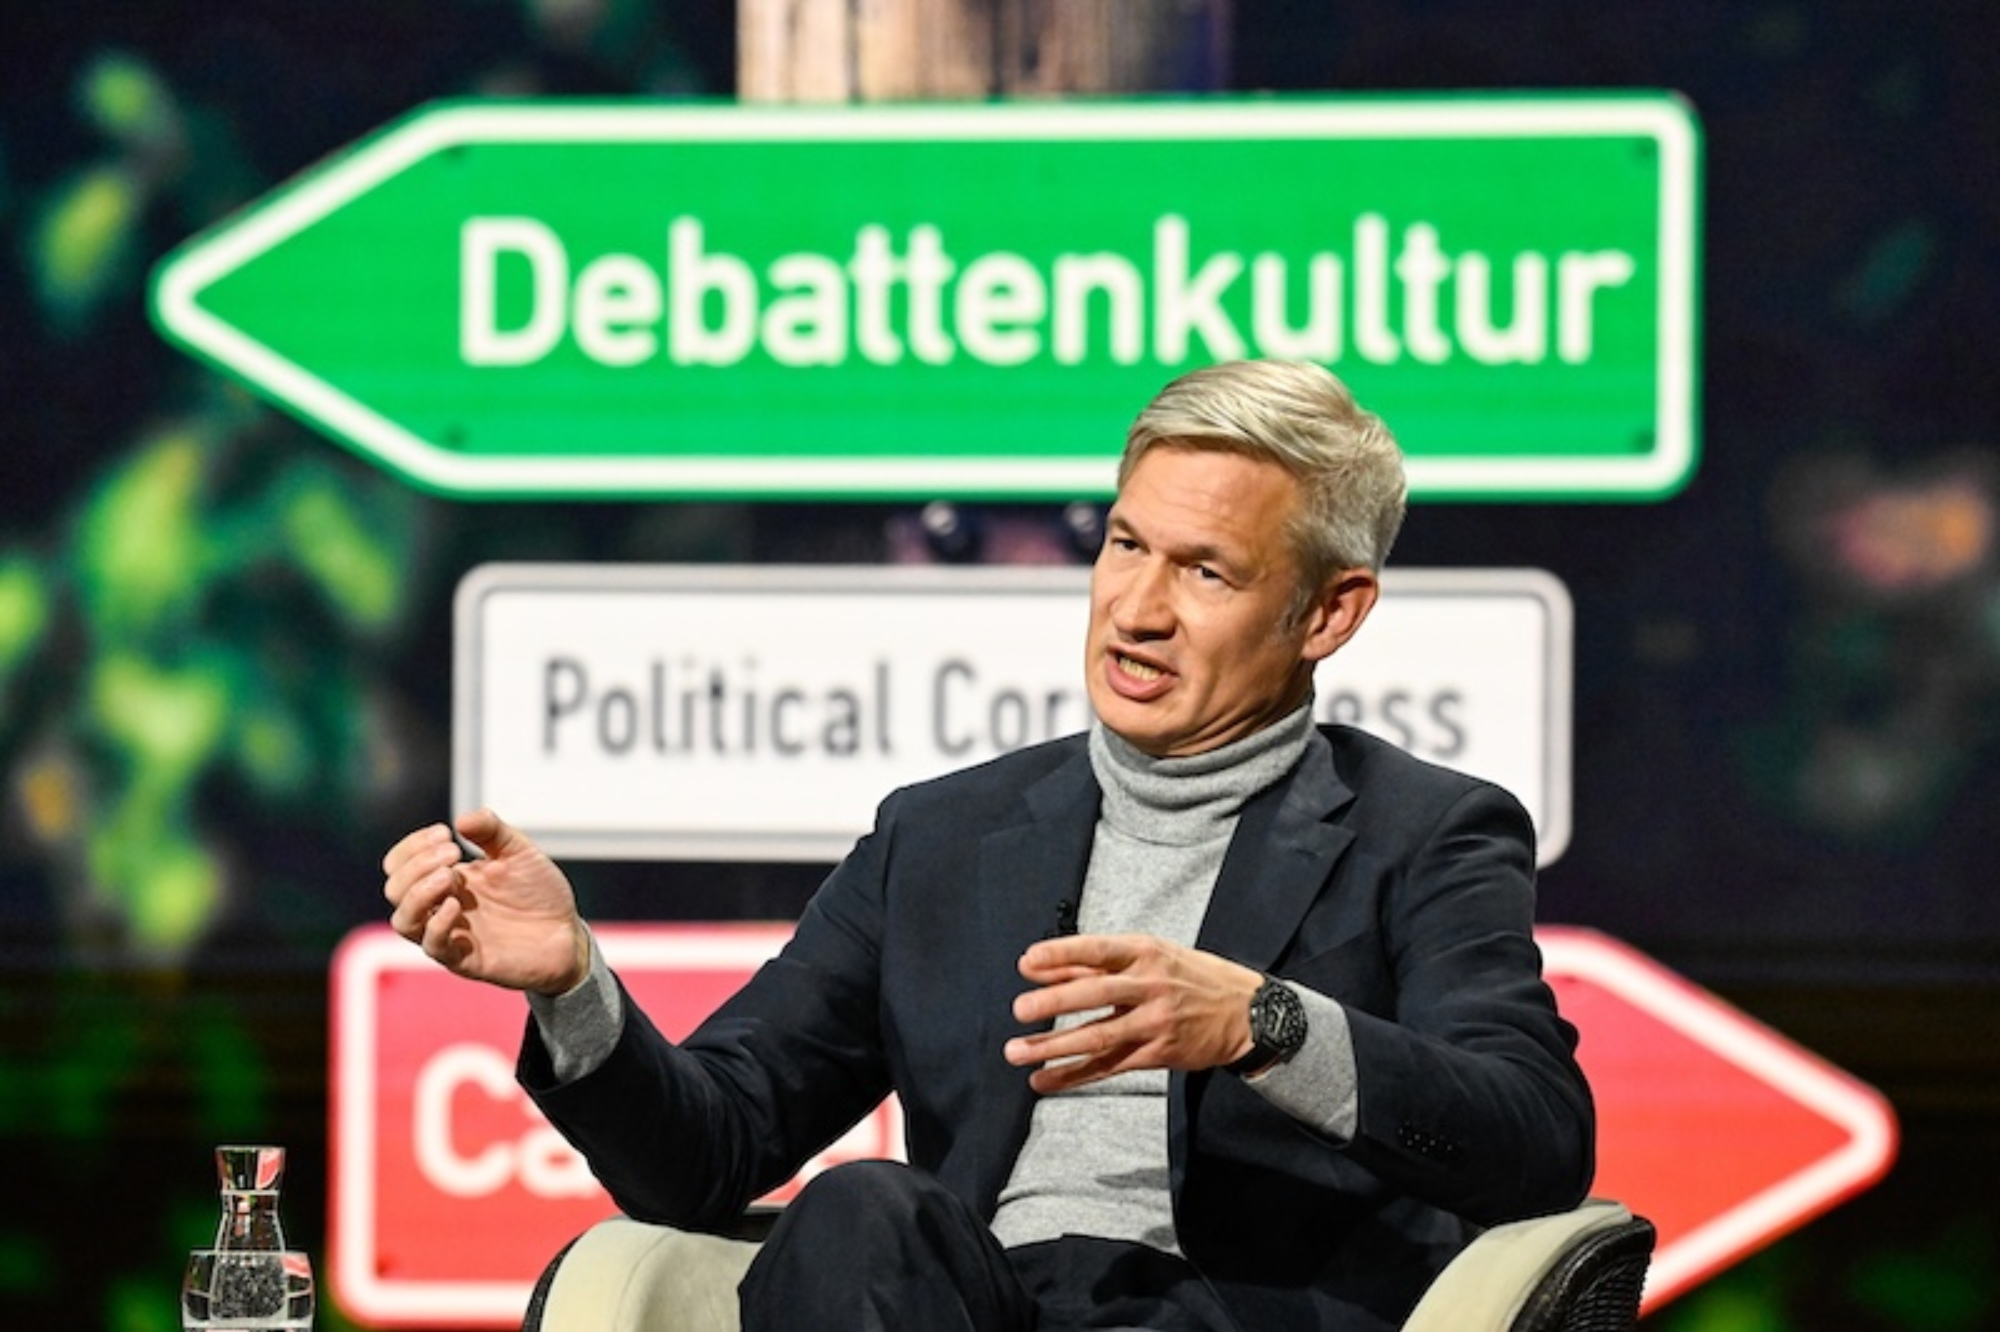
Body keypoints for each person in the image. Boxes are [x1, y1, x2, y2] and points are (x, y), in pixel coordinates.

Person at [383, 359, 1593, 1331]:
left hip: (1222, 1312)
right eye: (1124, 545)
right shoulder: (942, 835)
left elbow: (1533, 1143)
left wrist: (1261, 1025)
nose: (1136, 609)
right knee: (859, 1211)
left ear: (1327, 611)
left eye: (1205, 572)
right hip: (963, 1304)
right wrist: (571, 985)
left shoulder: (1421, 834)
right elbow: (708, 1151)